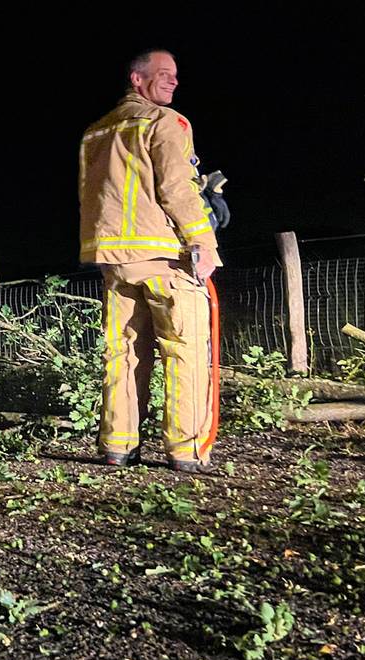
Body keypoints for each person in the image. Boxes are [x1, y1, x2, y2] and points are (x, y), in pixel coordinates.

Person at [78, 49, 221, 473]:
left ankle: (118, 446)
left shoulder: (95, 131)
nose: (174, 81)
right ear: (136, 79)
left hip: (114, 260)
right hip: (164, 258)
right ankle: (185, 450)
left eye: (175, 75)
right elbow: (177, 187)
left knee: (122, 353)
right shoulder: (165, 122)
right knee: (184, 351)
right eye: (163, 74)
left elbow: (92, 194)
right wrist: (203, 241)